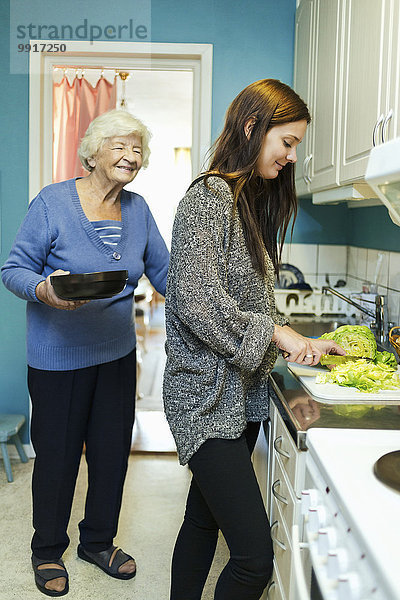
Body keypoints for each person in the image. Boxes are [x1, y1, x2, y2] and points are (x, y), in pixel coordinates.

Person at [163, 79, 345, 600]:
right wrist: (274, 330)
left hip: (235, 400)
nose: (292, 156)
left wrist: (299, 340)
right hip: (205, 400)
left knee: (201, 520)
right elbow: (197, 304)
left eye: (296, 147)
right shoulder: (209, 198)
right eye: (286, 142)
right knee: (253, 559)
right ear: (252, 127)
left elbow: (241, 301)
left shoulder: (244, 202)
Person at [2, 109, 169, 597]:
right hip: (58, 356)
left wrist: (210, 306)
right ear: (91, 153)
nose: (130, 156)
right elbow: (14, 269)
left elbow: (165, 274)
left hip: (117, 353)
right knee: (56, 458)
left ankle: (97, 542)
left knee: (112, 454)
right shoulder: (52, 204)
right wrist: (44, 291)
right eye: (119, 146)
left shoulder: (138, 210)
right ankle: (47, 551)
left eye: (137, 149)